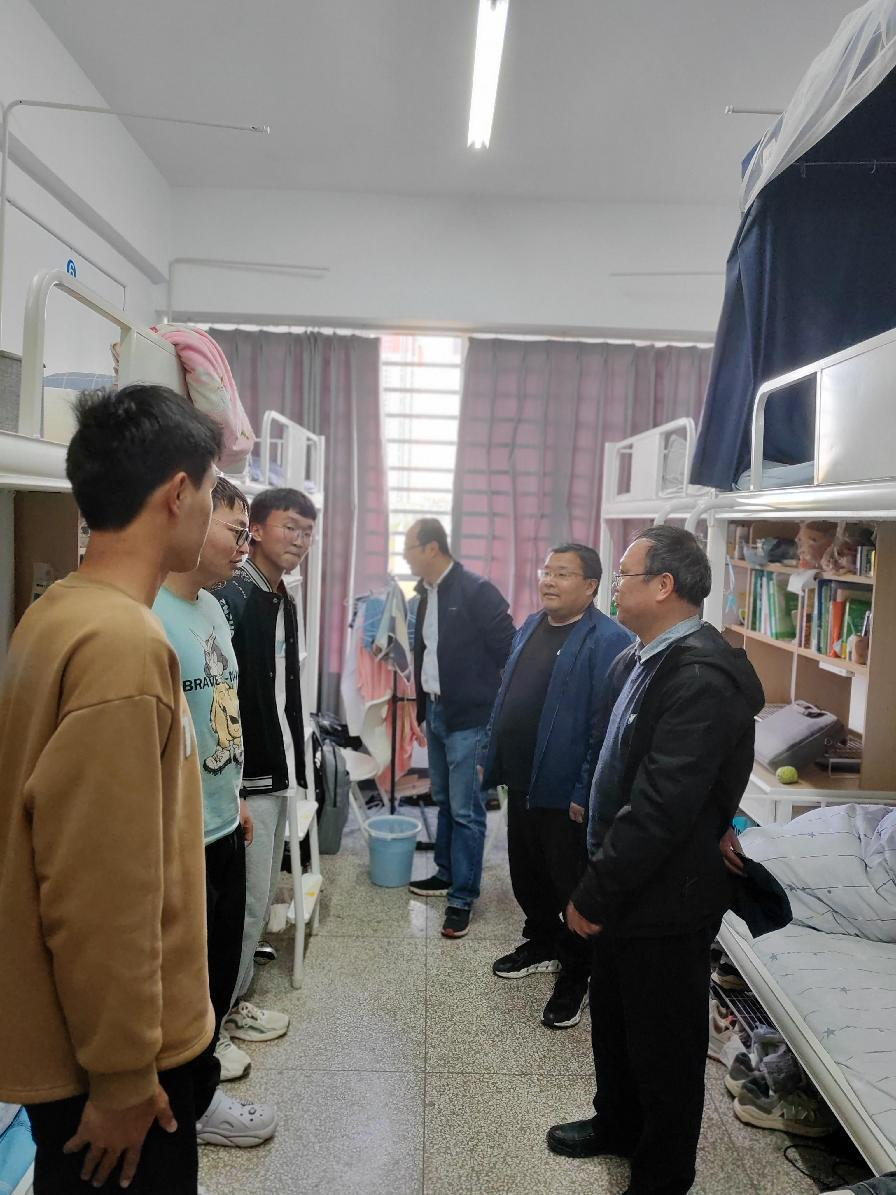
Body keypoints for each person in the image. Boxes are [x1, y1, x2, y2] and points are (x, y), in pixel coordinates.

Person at [0, 385, 224, 1194]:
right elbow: (101, 886)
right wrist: (125, 1075)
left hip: (82, 1043)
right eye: (211, 491)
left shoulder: (59, 609)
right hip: (119, 1069)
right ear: (177, 493)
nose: (212, 511)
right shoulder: (124, 645)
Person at [547, 526, 764, 1195]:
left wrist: (594, 891)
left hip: (666, 895)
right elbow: (620, 756)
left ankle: (662, 1176)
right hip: (627, 881)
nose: (615, 586)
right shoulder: (640, 658)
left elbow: (662, 804)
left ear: (664, 585)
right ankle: (617, 1122)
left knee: (665, 1045)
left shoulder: (700, 676)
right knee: (615, 1022)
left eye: (624, 575)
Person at [152, 475, 279, 1149]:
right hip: (180, 839)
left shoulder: (209, 608)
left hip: (224, 822)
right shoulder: (150, 616)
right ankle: (189, 1106)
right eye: (234, 529)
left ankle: (199, 1091)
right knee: (182, 984)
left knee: (216, 972)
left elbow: (215, 716)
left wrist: (235, 800)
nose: (244, 544)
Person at [481, 544, 633, 1029]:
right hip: (522, 777)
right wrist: (489, 752)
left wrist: (584, 789)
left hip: (565, 788)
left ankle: (576, 971)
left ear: (591, 586)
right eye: (546, 571)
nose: (548, 580)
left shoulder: (609, 640)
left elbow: (604, 726)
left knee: (570, 881)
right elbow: (507, 694)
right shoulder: (531, 624)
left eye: (562, 574)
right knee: (528, 872)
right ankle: (542, 941)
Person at [214, 486, 317, 1036]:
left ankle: (233, 993)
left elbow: (282, 692)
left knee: (257, 896)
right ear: (254, 529)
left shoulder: (281, 596)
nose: (299, 540)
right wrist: (235, 786)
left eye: (307, 531)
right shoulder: (232, 597)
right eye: (289, 527)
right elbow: (224, 699)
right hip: (246, 776)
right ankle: (221, 1020)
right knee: (247, 902)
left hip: (275, 767)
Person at [405, 518, 515, 939]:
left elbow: (509, 649)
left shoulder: (476, 590)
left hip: (470, 718)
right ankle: (446, 873)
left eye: (410, 548)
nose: (406, 556)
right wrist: (420, 709)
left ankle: (463, 898)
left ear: (432, 548)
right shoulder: (425, 594)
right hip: (436, 711)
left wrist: (492, 706)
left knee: (467, 809)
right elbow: (426, 653)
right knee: (445, 801)